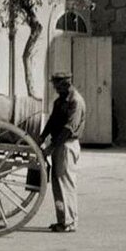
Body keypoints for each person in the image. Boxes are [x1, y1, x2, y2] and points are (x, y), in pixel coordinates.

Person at [39, 72, 86, 233]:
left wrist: (51, 147)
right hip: (59, 144)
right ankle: (63, 220)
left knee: (66, 183)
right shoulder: (60, 101)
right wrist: (41, 137)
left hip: (67, 145)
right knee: (58, 184)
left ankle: (70, 222)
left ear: (66, 84)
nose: (55, 88)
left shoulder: (75, 101)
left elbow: (69, 128)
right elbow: (52, 121)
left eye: (57, 85)